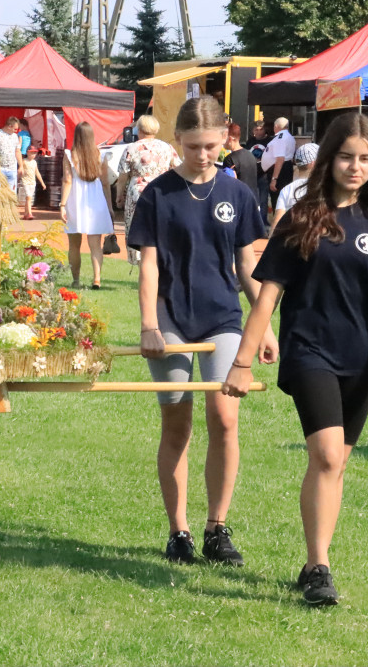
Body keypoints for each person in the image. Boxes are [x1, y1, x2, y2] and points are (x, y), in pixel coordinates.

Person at [223, 112, 368, 606]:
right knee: (327, 454)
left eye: (365, 159)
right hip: (309, 351)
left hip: (363, 355)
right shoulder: (302, 218)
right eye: (346, 158)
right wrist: (242, 363)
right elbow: (267, 297)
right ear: (328, 160)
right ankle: (320, 567)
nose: (355, 167)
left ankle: (314, 561)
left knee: (333, 466)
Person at [126, 96, 277, 567]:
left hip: (222, 319)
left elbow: (246, 263)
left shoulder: (237, 194)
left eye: (211, 146)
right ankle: (179, 532)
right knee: (177, 424)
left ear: (225, 139)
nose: (203, 155)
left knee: (226, 420)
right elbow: (148, 266)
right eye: (193, 146)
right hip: (170, 320)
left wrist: (263, 324)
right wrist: (150, 325)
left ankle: (217, 527)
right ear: (177, 142)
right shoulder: (157, 195)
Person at [114, 114, 181, 266]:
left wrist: (119, 196)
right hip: (161, 192)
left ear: (140, 129)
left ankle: (141, 264)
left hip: (137, 192)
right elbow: (179, 168)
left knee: (136, 228)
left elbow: (123, 176)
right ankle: (159, 262)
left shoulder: (131, 148)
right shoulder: (167, 147)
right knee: (160, 228)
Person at [60, 121, 114, 289]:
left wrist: (62, 204)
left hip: (76, 199)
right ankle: (96, 279)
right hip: (96, 199)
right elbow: (105, 183)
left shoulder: (70, 155)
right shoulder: (101, 155)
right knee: (95, 244)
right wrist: (110, 207)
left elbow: (68, 180)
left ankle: (76, 280)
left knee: (74, 244)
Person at [272, 142, 319, 231]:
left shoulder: (286, 190)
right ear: (313, 163)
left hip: (291, 239)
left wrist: (271, 242)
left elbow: (277, 222)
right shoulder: (321, 188)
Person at [262, 117, 296, 212]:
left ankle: (278, 222)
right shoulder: (289, 137)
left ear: (276, 126)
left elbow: (280, 159)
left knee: (277, 199)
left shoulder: (280, 138)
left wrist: (274, 179)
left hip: (279, 170)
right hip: (284, 168)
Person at [222, 122, 258, 207]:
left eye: (223, 138)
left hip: (239, 203)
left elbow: (229, 184)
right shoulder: (250, 155)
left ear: (230, 139)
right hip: (254, 201)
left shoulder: (230, 159)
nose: (222, 142)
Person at [0, 117, 24, 193]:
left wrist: (21, 166)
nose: (16, 131)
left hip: (12, 169)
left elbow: (17, 151)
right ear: (9, 126)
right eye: (15, 129)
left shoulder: (15, 137)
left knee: (11, 193)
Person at [245, 120, 272, 216]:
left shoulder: (269, 141)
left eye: (260, 129)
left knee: (263, 200)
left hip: (264, 174)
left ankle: (263, 221)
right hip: (251, 174)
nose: (258, 132)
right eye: (256, 129)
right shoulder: (250, 141)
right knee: (251, 199)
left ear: (265, 130)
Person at [18, 147, 46, 220]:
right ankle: (30, 213)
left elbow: (37, 173)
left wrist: (42, 183)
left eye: (34, 153)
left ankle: (25, 214)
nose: (33, 155)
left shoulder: (34, 162)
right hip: (25, 181)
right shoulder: (24, 161)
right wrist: (17, 179)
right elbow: (19, 170)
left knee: (29, 198)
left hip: (32, 182)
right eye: (32, 153)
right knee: (28, 197)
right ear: (27, 153)